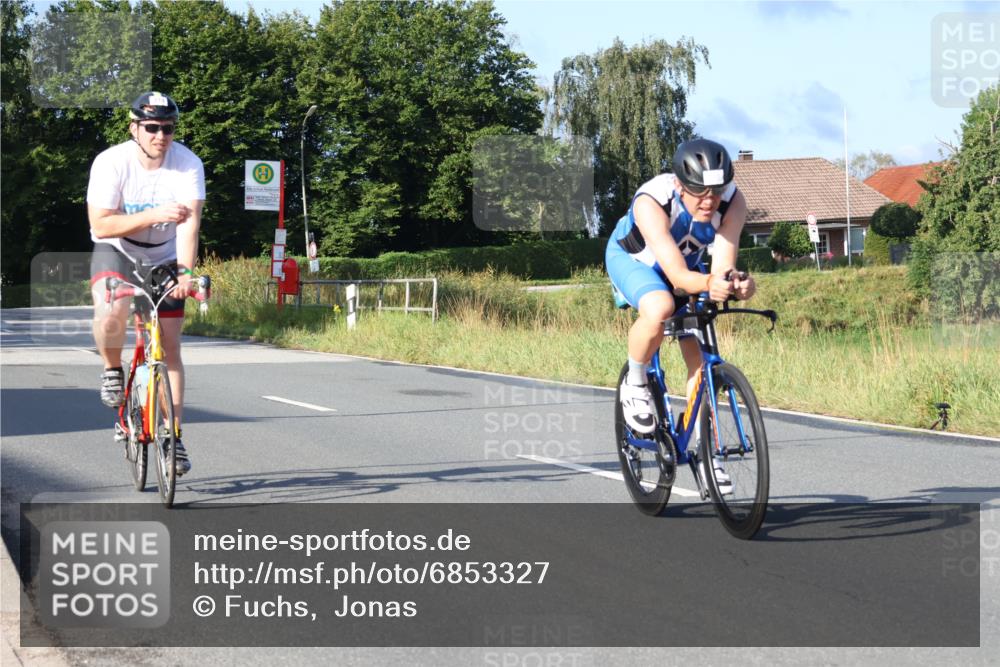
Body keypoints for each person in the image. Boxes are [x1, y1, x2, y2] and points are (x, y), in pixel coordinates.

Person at [606, 139, 756, 485]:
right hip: (636, 263)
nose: (709, 201)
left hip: (688, 268)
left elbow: (721, 266)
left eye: (715, 192)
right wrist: (708, 281)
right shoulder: (652, 201)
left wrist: (739, 284)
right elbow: (675, 276)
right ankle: (636, 380)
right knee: (660, 306)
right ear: (679, 184)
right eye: (699, 192)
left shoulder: (733, 202)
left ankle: (705, 450)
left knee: (700, 359)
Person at [87, 91, 205, 475]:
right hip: (116, 249)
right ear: (134, 128)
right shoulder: (111, 163)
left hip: (164, 255)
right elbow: (101, 223)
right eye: (151, 127)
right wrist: (153, 214)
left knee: (170, 345)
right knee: (111, 313)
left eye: (168, 128)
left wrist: (185, 273)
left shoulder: (187, 164)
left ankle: (172, 437)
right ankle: (111, 369)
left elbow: (189, 225)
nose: (160, 136)